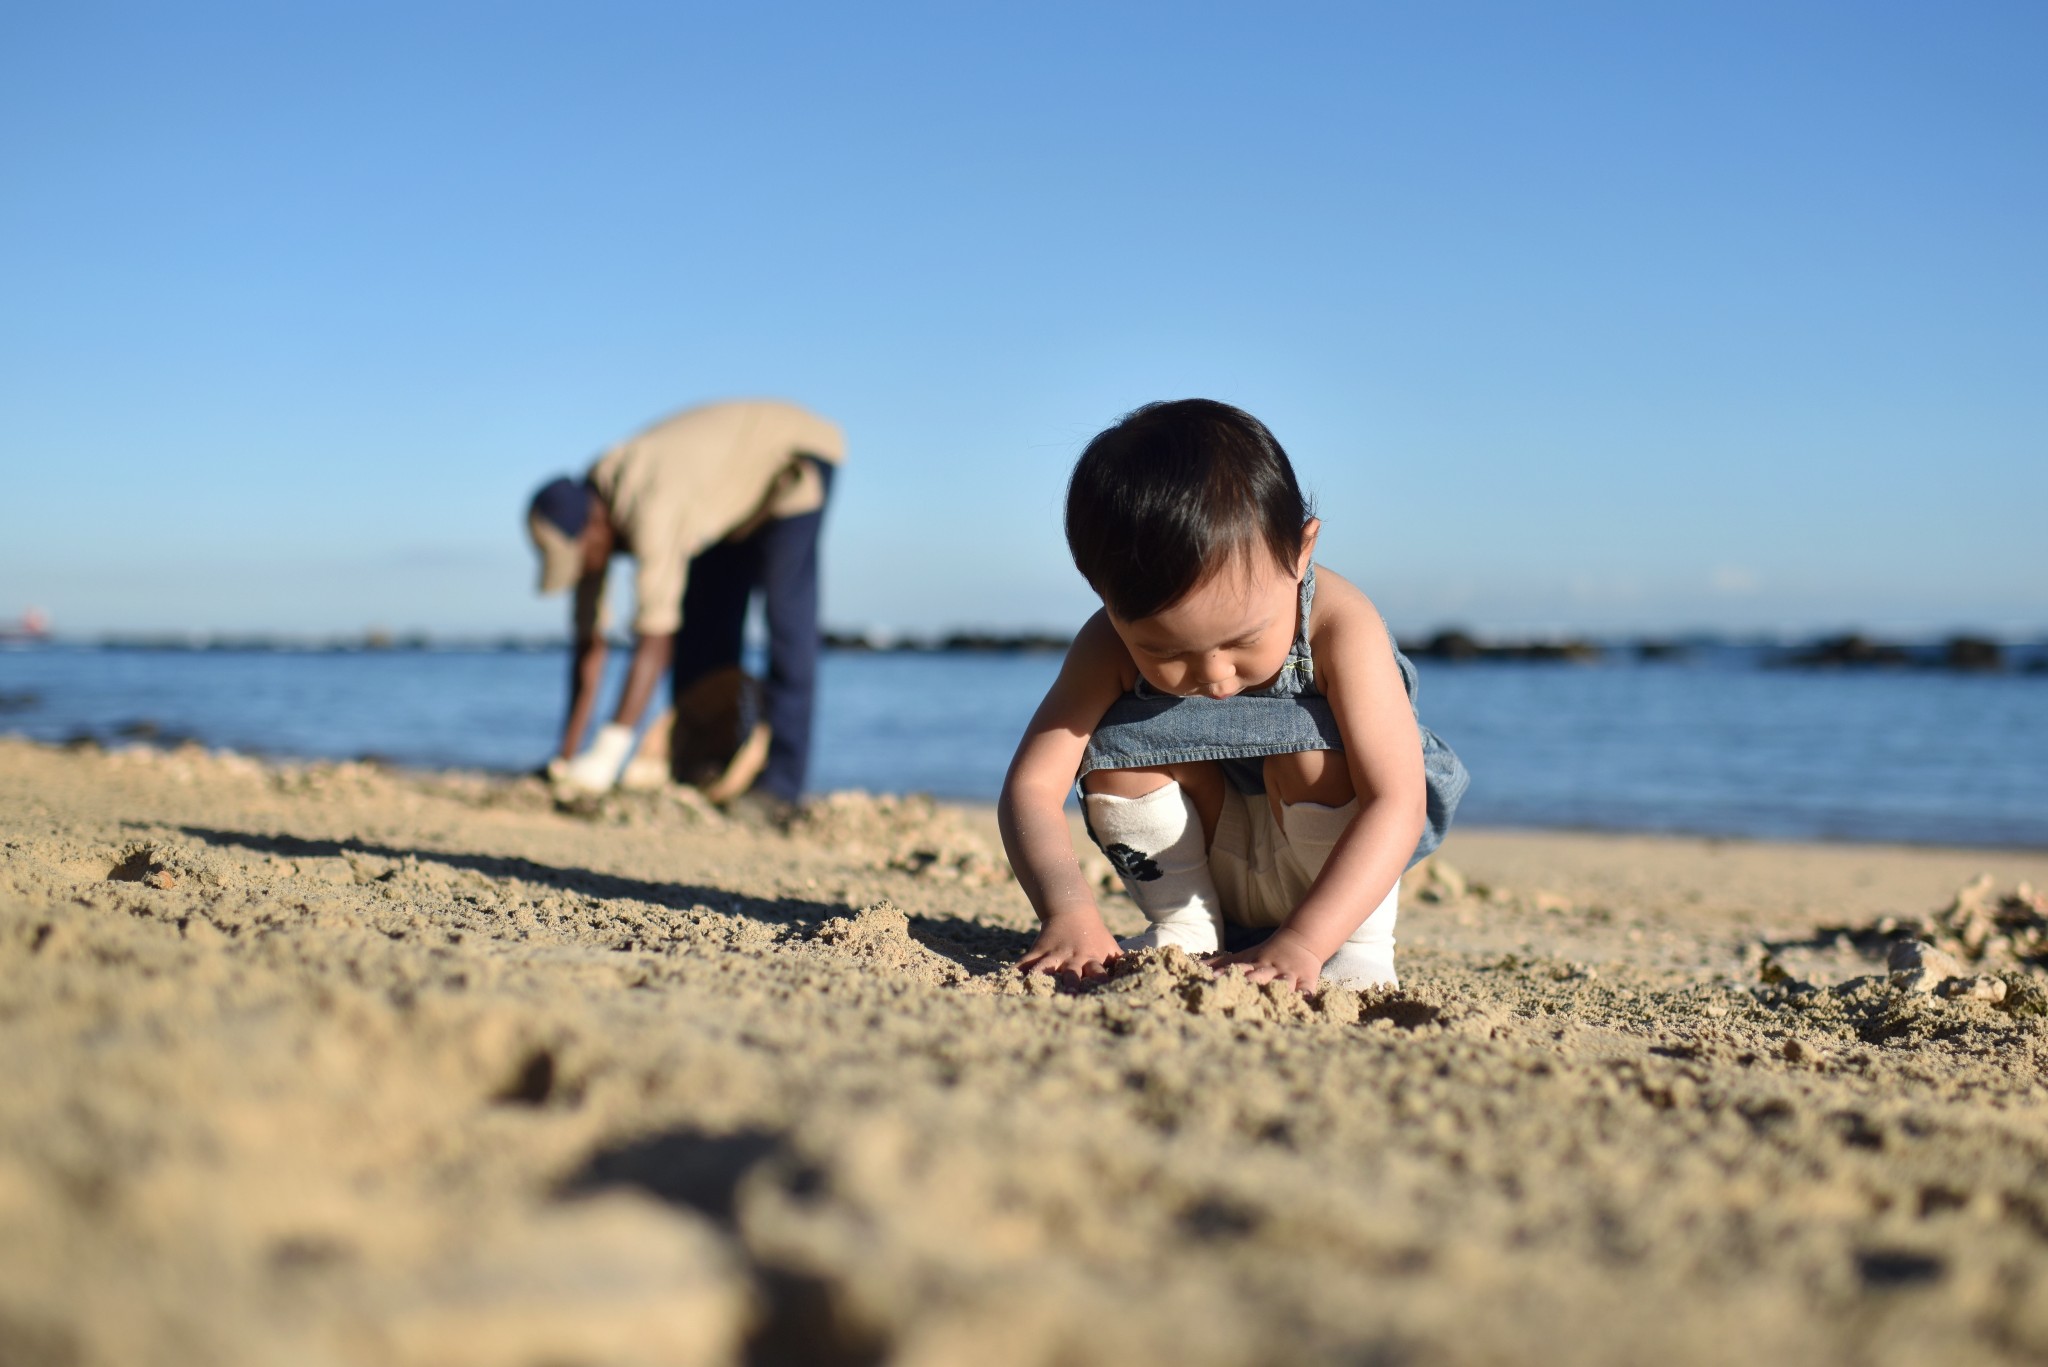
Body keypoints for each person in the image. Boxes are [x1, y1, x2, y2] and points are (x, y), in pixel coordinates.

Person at [998, 399, 1467, 992]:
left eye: (1243, 640)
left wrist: (1304, 943)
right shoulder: (1107, 643)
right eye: (1166, 654)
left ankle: (1359, 950)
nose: (1216, 675)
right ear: (1104, 596)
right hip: (1204, 870)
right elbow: (1032, 787)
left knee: (1313, 754)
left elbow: (1398, 801)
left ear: (1301, 553)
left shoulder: (1339, 624)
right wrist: (1068, 914)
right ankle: (1186, 929)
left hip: (1331, 883)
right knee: (1117, 759)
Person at [525, 399, 843, 812]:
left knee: (787, 621)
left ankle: (781, 787)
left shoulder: (652, 506)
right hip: (722, 498)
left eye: (580, 558)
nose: (583, 570)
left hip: (792, 458)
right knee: (701, 629)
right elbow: (590, 645)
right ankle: (703, 767)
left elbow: (654, 639)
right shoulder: (589, 516)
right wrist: (564, 758)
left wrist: (607, 753)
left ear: (596, 527)